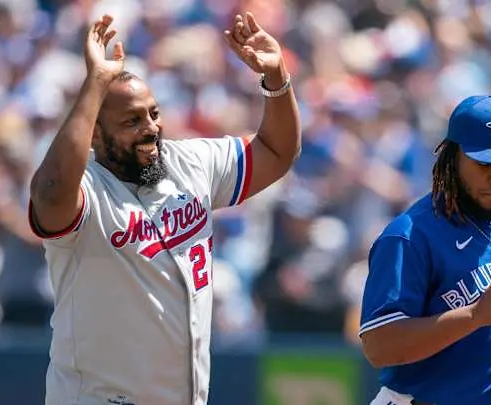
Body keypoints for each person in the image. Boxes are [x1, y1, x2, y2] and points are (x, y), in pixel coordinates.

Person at [27, 12, 300, 405]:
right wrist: (96, 83)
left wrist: (275, 77)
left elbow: (277, 151)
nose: (150, 127)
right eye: (131, 121)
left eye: (153, 113)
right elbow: (51, 192)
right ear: (95, 135)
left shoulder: (190, 162)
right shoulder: (85, 190)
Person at [358, 95, 491, 405]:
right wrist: (475, 315)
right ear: (453, 158)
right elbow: (379, 347)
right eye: (484, 163)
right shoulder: (410, 236)